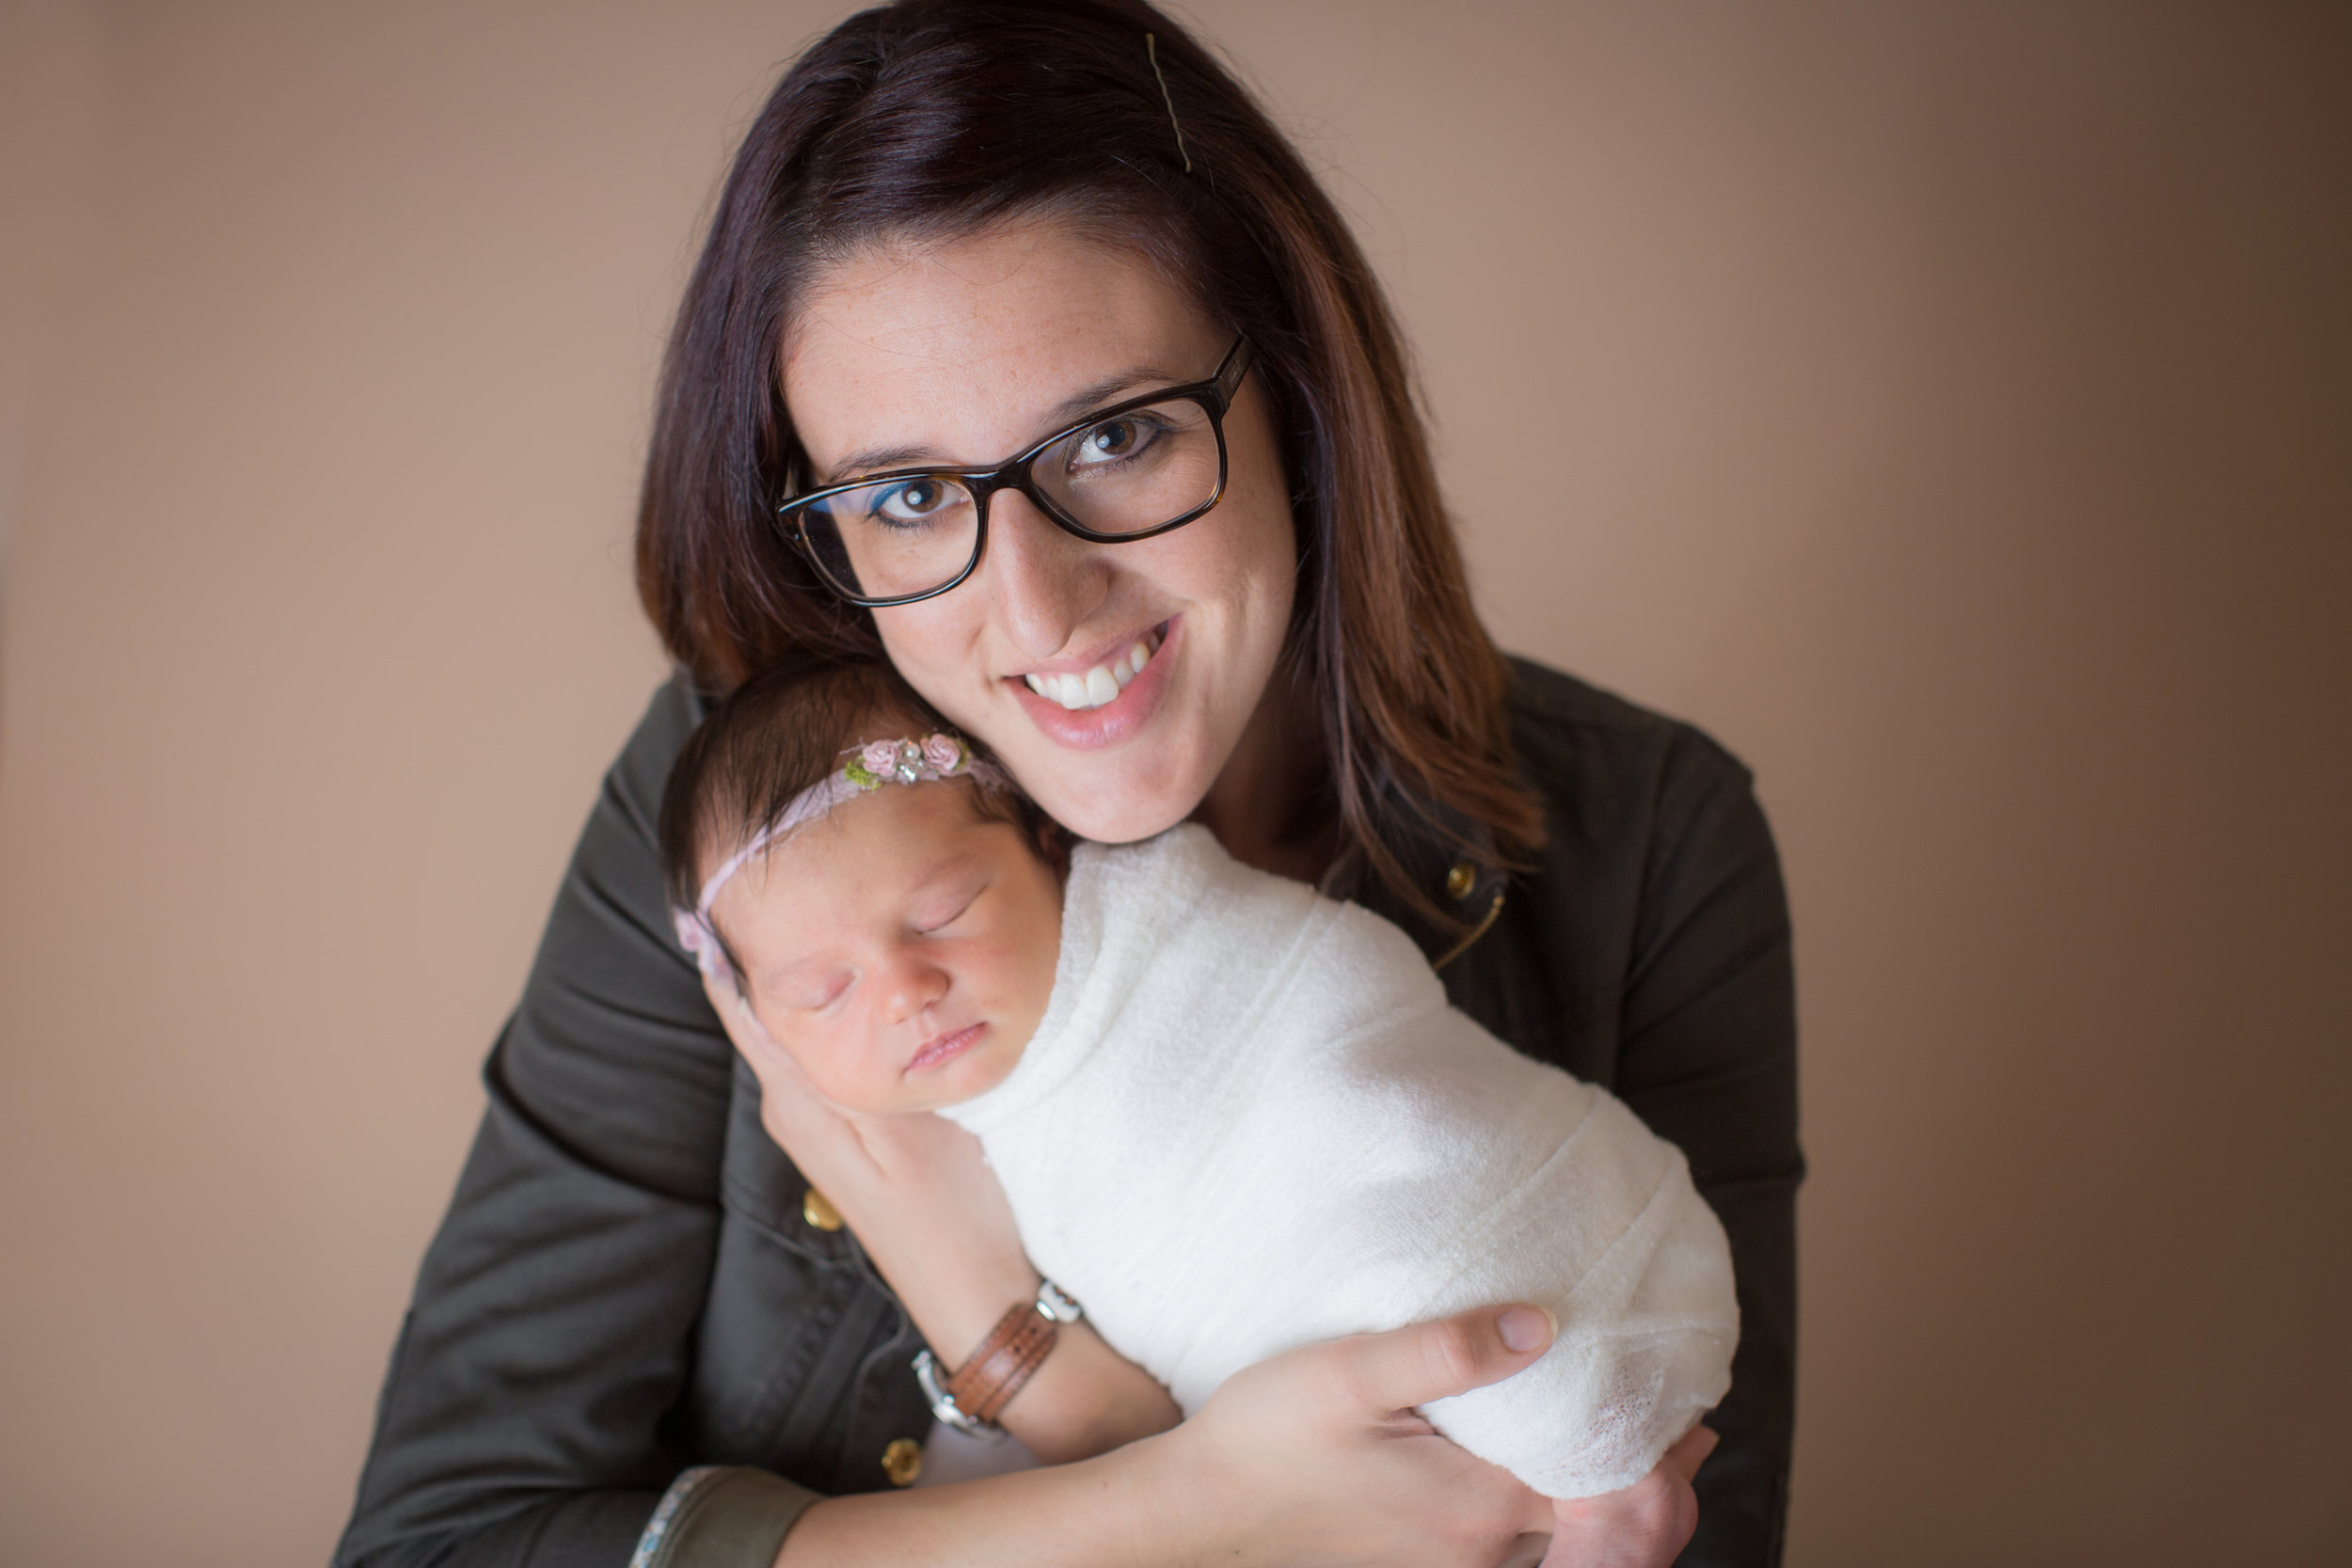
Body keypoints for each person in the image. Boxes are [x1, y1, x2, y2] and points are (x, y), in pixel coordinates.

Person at [334, 2, 1800, 1564]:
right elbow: (441, 1540)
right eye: (906, 493)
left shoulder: (1652, 841)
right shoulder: (752, 829)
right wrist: (1182, 1500)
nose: (1034, 613)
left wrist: (1007, 1329)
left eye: (1113, 435)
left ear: (1295, 404)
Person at [658, 657, 1742, 1505]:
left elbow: (1341, 1032)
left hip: (1534, 1275)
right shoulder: (862, 1130)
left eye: (944, 911)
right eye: (820, 989)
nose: (903, 990)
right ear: (754, 1022)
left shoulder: (1180, 933)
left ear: (1046, 840)